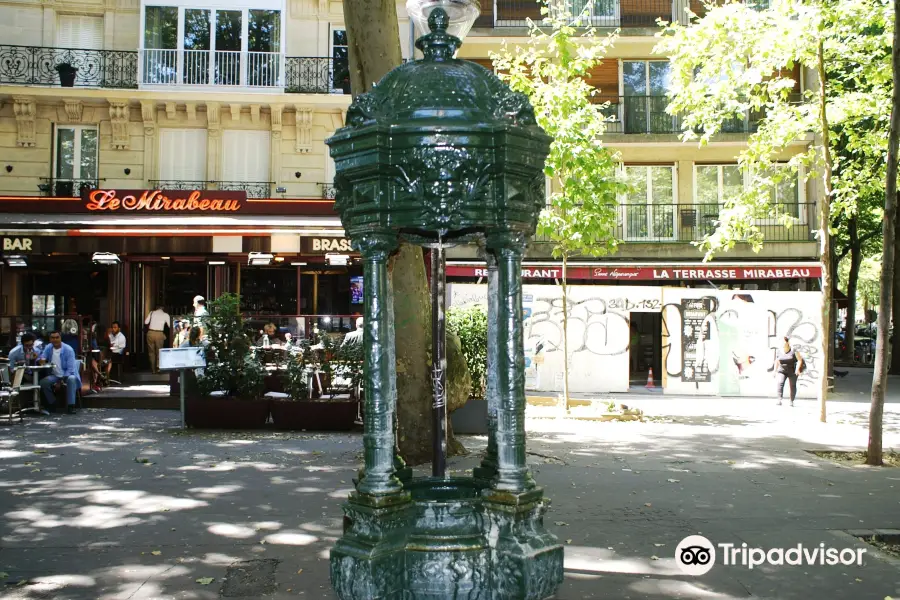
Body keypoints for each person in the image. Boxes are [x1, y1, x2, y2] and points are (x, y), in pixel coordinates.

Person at [38, 331, 81, 414]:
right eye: (53, 338)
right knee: (43, 382)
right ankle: (52, 403)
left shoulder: (68, 349)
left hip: (68, 375)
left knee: (71, 380)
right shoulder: (48, 347)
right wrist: (41, 360)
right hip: (55, 375)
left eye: (57, 337)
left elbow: (70, 369)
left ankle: (71, 406)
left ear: (60, 338)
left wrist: (60, 381)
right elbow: (42, 357)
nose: (55, 340)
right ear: (50, 339)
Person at [774, 336, 804, 407]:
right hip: (782, 370)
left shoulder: (794, 350)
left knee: (792, 385)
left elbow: (800, 360)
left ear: (788, 342)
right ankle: (779, 399)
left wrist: (797, 369)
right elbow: (777, 361)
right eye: (781, 342)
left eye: (784, 342)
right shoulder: (779, 351)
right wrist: (774, 371)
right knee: (780, 383)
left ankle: (791, 401)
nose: (783, 344)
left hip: (792, 371)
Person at [144, 302, 171, 374]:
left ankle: (153, 369)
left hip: (150, 333)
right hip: (159, 333)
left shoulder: (152, 313)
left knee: (151, 352)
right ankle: (158, 367)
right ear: (163, 308)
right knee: (159, 351)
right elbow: (170, 325)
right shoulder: (165, 315)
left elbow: (146, 322)